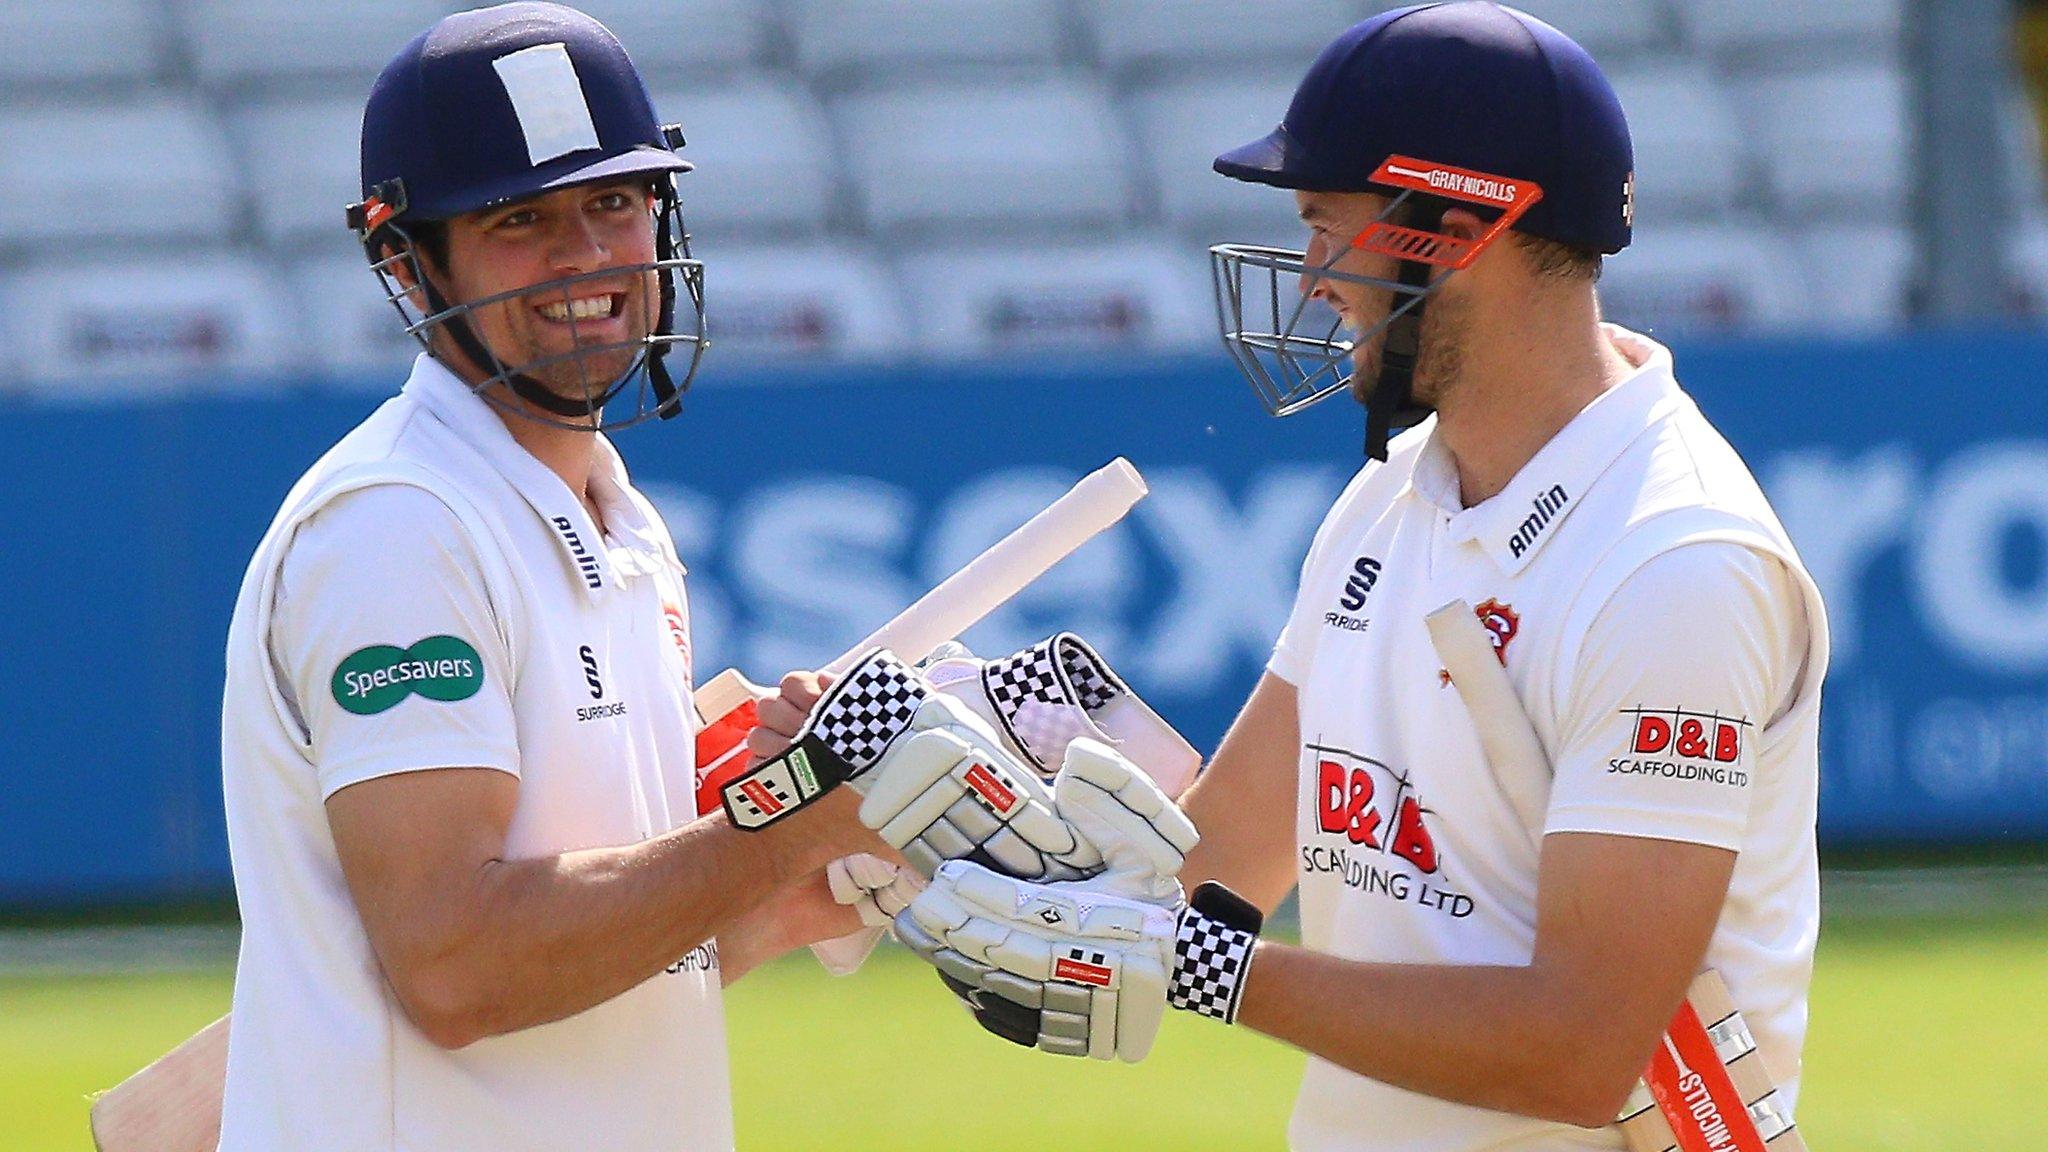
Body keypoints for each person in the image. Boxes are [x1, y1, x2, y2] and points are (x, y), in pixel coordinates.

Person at [889, 4, 1830, 1149]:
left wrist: (1200, 969)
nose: (1311, 280)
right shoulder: (1390, 498)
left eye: (1326, 227)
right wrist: (955, 790)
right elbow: (1211, 865)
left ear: (1460, 224)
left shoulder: (1674, 563)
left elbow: (1583, 1048)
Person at [215, 6, 882, 1149]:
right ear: (408, 263)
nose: (583, 257)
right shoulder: (396, 526)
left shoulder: (620, 525)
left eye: (612, 203)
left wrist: (786, 878)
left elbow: (602, 956)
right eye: (519, 219)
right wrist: (784, 830)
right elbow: (458, 968)